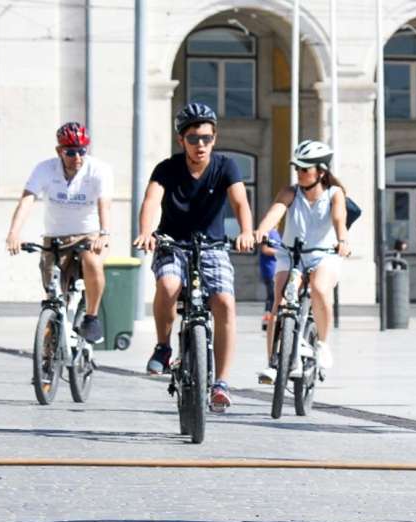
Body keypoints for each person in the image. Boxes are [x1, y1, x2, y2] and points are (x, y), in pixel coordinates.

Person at [132, 102, 255, 412]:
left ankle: (222, 382)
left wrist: (247, 231)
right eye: (193, 139)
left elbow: (240, 202)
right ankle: (163, 347)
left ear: (214, 138)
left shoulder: (226, 166)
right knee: (170, 285)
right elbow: (151, 201)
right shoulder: (167, 168)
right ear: (180, 141)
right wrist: (146, 232)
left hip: (212, 246)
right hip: (172, 244)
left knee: (225, 302)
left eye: (206, 138)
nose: (200, 145)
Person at [5, 122, 114, 344]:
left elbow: (105, 203)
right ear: (59, 151)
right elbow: (27, 199)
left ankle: (91, 318)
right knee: (54, 293)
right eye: (71, 152)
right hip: (55, 237)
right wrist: (14, 233)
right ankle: (49, 349)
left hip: (88, 234)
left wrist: (104, 233)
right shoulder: (45, 169)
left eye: (82, 151)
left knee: (93, 262)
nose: (78, 157)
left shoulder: (98, 170)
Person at [254, 140, 352, 383]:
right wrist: (260, 231)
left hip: (324, 253)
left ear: (321, 171)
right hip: (291, 254)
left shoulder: (334, 193)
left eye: (304, 168)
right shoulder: (290, 192)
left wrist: (343, 240)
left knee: (319, 289)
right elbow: (274, 214)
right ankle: (273, 363)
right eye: (297, 168)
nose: (299, 173)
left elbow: (339, 219)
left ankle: (322, 343)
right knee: (279, 303)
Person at [259, 227, 282, 331]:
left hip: (276, 268)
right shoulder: (267, 232)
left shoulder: (276, 233)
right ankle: (268, 320)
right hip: (270, 269)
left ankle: (269, 319)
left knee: (273, 296)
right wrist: (280, 252)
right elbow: (264, 249)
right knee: (272, 296)